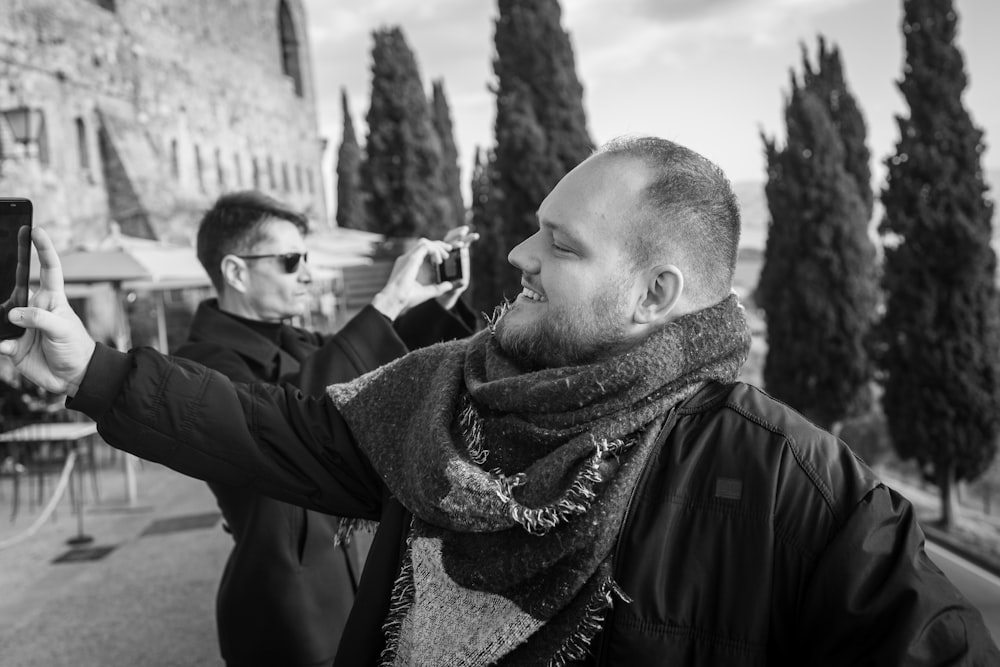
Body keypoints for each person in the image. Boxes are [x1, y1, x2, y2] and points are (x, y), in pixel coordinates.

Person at [4, 136, 998, 666]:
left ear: (655, 295)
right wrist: (95, 367)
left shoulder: (797, 486)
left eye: (561, 245)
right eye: (535, 229)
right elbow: (275, 427)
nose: (519, 256)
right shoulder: (437, 399)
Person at [171, 190, 476, 667]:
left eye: (307, 258)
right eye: (291, 261)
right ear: (235, 271)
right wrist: (385, 304)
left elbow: (374, 377)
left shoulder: (298, 339)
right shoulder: (200, 363)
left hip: (350, 573)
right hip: (287, 598)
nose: (308, 274)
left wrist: (436, 301)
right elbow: (293, 415)